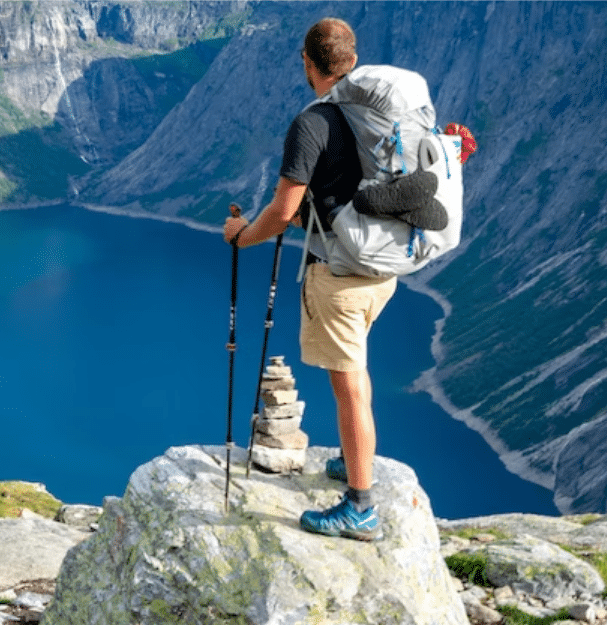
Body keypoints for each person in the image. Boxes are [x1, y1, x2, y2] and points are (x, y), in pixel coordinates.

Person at [223, 17, 397, 542]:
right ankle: (353, 459)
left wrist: (240, 236)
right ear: (351, 57)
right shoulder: (379, 110)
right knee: (356, 371)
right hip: (383, 269)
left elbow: (283, 211)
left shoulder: (313, 123)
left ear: (307, 62)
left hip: (340, 278)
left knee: (346, 387)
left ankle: (360, 507)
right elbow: (341, 196)